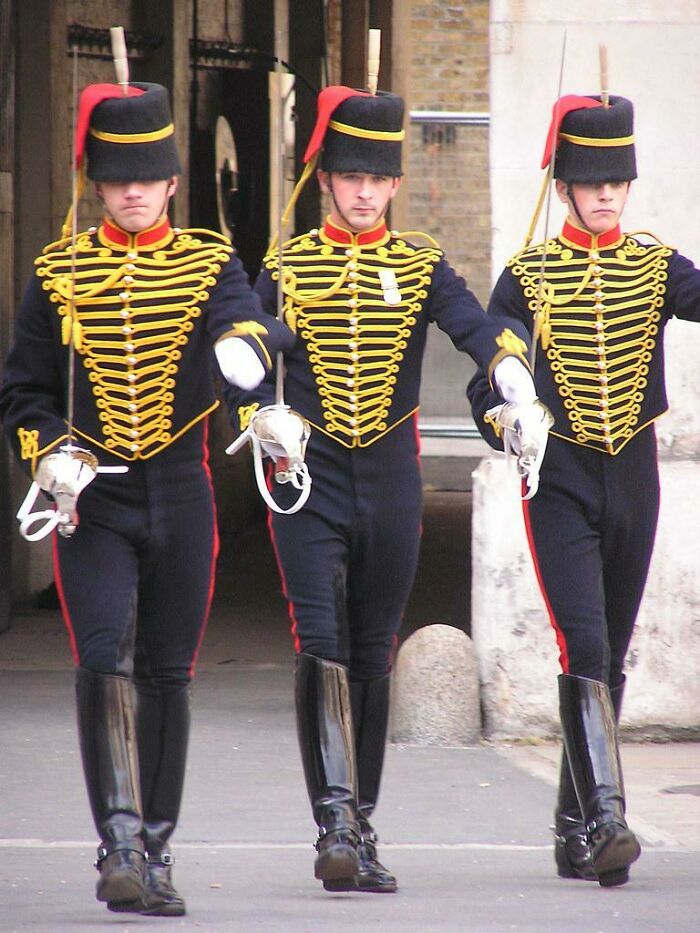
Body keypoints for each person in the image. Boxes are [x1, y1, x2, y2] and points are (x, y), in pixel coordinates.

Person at [224, 84, 540, 894]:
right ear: (325, 178)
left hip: (391, 474)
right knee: (320, 639)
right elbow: (244, 349)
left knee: (372, 649)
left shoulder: (420, 260)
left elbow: (476, 320)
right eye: (349, 174)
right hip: (309, 470)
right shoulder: (288, 265)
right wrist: (263, 413)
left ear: (395, 184)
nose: (364, 191)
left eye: (378, 177)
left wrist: (506, 367)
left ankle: (360, 822)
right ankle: (332, 818)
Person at [0, 81, 294, 915]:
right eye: (116, 175)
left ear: (172, 183)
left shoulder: (209, 261)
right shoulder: (57, 273)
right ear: (96, 183)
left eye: (149, 175)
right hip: (90, 499)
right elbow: (23, 390)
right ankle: (119, 840)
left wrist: (246, 356)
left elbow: (244, 321)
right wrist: (49, 450)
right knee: (101, 659)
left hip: (181, 489)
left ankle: (156, 847)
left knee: (167, 672)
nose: (132, 189)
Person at [468, 92, 700, 887]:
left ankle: (571, 826)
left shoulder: (655, 263)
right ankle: (606, 813)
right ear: (564, 186)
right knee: (586, 643)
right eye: (590, 181)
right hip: (558, 475)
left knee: (613, 651)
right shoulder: (527, 277)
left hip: (633, 472)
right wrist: (511, 421)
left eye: (616, 182)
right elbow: (483, 390)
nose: (605, 194)